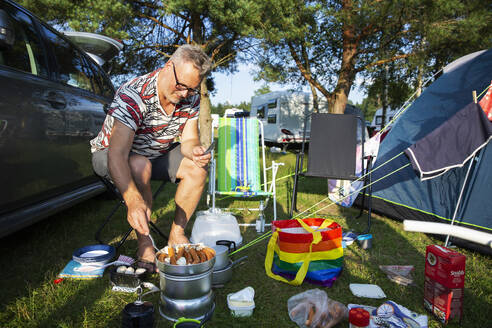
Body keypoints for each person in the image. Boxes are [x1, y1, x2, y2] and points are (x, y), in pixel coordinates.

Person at [90, 45, 213, 272]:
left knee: (197, 168)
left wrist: (195, 150)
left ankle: (176, 235)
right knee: (139, 164)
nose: (185, 94)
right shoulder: (134, 94)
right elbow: (117, 154)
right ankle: (145, 242)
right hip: (110, 154)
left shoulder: (190, 96)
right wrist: (133, 200)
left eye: (192, 89)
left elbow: (188, 141)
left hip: (157, 154)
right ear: (168, 67)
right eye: (181, 86)